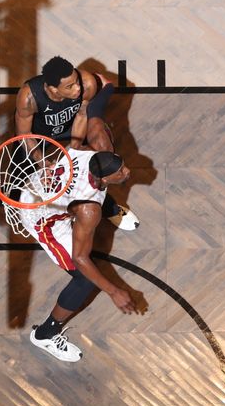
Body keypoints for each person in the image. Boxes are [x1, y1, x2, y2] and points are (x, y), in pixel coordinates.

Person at [0, 56, 139, 245]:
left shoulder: (87, 84)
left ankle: (107, 207)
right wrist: (44, 163)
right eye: (69, 87)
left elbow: (82, 115)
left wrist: (74, 150)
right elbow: (24, 134)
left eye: (76, 82)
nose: (77, 89)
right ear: (52, 89)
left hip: (71, 129)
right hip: (37, 136)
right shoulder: (29, 97)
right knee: (14, 187)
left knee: (98, 167)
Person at [20, 149, 137, 362]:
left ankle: (111, 209)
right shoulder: (89, 210)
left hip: (38, 185)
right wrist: (113, 291)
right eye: (120, 171)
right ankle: (45, 334)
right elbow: (80, 258)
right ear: (103, 177)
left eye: (122, 165)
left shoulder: (86, 154)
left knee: (96, 200)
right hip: (40, 217)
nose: (127, 171)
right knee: (85, 280)